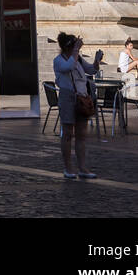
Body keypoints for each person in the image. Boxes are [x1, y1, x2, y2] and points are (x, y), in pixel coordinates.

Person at [53, 32, 103, 180]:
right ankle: (68, 168)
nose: (78, 49)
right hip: (68, 97)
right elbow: (68, 67)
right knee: (68, 134)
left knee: (81, 135)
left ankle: (82, 168)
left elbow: (91, 70)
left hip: (82, 98)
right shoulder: (59, 60)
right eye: (75, 46)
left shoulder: (78, 59)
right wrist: (75, 51)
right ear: (69, 47)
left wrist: (96, 60)